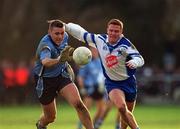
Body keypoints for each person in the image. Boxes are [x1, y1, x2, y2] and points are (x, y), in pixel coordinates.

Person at [63, 19, 144, 129]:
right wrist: (66, 26)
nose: (113, 33)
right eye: (111, 30)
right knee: (121, 107)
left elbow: (139, 58)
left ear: (121, 33)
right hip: (113, 83)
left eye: (116, 31)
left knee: (126, 112)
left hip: (129, 82)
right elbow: (82, 34)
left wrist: (135, 62)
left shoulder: (126, 44)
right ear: (107, 30)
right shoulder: (99, 40)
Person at [33, 20, 94, 129]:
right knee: (50, 117)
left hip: (61, 75)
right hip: (44, 80)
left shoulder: (65, 35)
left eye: (62, 33)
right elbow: (45, 62)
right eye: (57, 33)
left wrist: (70, 58)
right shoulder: (45, 45)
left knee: (79, 104)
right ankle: (41, 124)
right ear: (49, 32)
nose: (60, 36)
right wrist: (60, 59)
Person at [76, 47, 106, 129]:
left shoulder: (101, 61)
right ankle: (80, 126)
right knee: (86, 108)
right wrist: (82, 88)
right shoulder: (86, 62)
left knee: (102, 109)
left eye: (96, 50)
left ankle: (93, 126)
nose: (94, 52)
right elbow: (81, 77)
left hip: (100, 88)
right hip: (90, 87)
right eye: (92, 50)